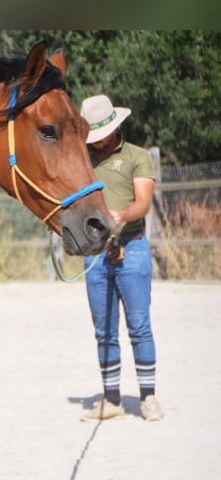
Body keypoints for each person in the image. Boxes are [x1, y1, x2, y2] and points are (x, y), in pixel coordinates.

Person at [79, 94, 163, 422]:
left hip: (133, 247)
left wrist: (119, 216)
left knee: (139, 326)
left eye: (101, 136)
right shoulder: (81, 160)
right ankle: (111, 398)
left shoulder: (137, 157)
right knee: (104, 330)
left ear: (114, 129)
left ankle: (148, 396)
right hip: (96, 254)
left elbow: (143, 202)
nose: (97, 143)